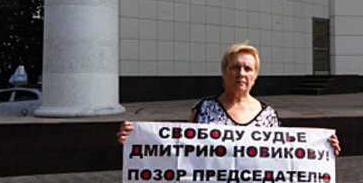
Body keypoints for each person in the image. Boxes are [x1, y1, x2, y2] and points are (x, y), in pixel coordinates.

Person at [117, 43, 341, 156]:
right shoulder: (203, 109)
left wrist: (322, 148)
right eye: (235, 67)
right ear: (224, 72)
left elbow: (284, 157)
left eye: (247, 68)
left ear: (255, 76)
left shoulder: (269, 115)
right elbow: (179, 149)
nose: (241, 73)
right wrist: (137, 140)